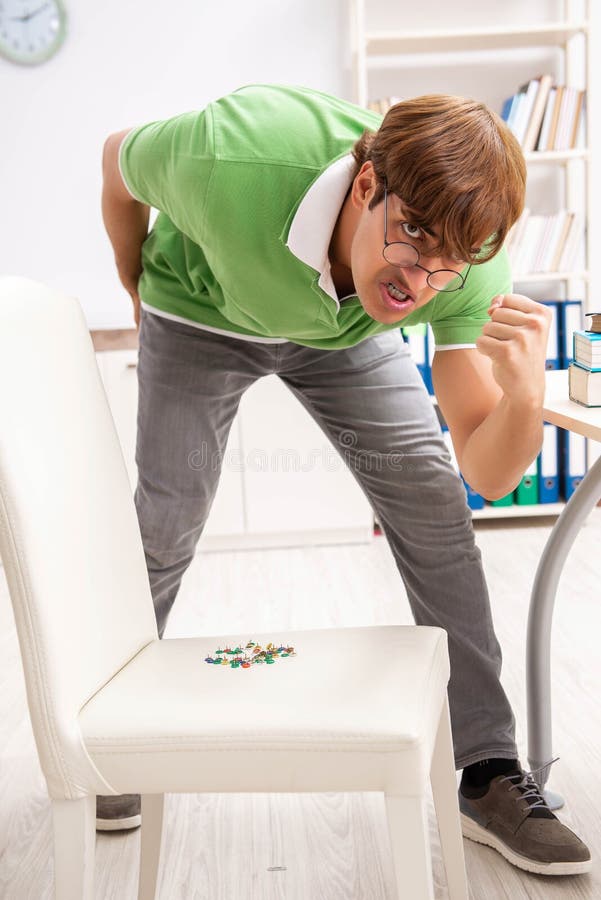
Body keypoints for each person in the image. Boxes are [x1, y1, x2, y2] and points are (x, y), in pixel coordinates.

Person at [100, 83, 590, 874]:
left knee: (435, 503)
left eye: (446, 270)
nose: (423, 283)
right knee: (167, 515)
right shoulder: (231, 154)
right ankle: (107, 740)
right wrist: (135, 282)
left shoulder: (458, 262)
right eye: (409, 244)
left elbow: (485, 473)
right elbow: (115, 161)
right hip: (200, 313)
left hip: (343, 330)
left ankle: (488, 769)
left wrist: (526, 393)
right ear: (367, 187)